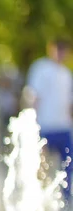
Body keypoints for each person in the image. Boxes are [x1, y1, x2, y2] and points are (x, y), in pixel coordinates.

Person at [25, 39, 73, 199]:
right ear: (50, 49)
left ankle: (65, 202)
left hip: (63, 128)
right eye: (58, 49)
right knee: (41, 168)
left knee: (68, 168)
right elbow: (33, 97)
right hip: (44, 127)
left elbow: (69, 105)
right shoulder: (41, 68)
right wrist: (33, 127)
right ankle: (38, 201)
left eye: (63, 50)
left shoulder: (67, 74)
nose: (60, 53)